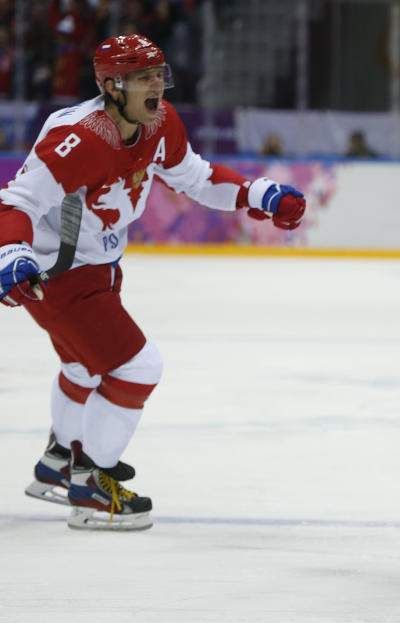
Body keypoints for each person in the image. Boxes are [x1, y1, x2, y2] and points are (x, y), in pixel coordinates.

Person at [0, 35, 306, 531]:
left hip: (95, 262)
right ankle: (93, 487)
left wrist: (257, 194)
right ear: (111, 85)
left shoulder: (159, 121)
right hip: (57, 271)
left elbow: (196, 178)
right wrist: (11, 254)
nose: (157, 86)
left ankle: (58, 463)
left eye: (159, 74)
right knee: (136, 368)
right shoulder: (78, 137)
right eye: (143, 77)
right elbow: (14, 202)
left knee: (83, 365)